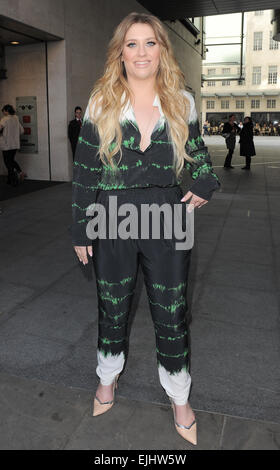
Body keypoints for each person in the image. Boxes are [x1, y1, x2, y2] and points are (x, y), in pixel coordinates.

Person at [71, 12, 220, 446]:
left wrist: (207, 180)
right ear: (120, 52)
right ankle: (107, 377)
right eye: (132, 44)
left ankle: (178, 395)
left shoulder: (182, 101)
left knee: (172, 312)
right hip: (110, 215)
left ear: (162, 50)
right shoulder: (101, 101)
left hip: (169, 216)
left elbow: (199, 158)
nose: (141, 52)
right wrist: (81, 229)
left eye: (150, 43)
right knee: (112, 306)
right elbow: (84, 171)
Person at [0, 104, 26, 185]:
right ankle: (19, 173)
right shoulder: (16, 118)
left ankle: (13, 180)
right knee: (11, 160)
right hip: (14, 144)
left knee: (7, 163)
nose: (3, 113)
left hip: (6, 144)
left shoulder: (4, 119)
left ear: (6, 111)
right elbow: (22, 131)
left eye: (4, 111)